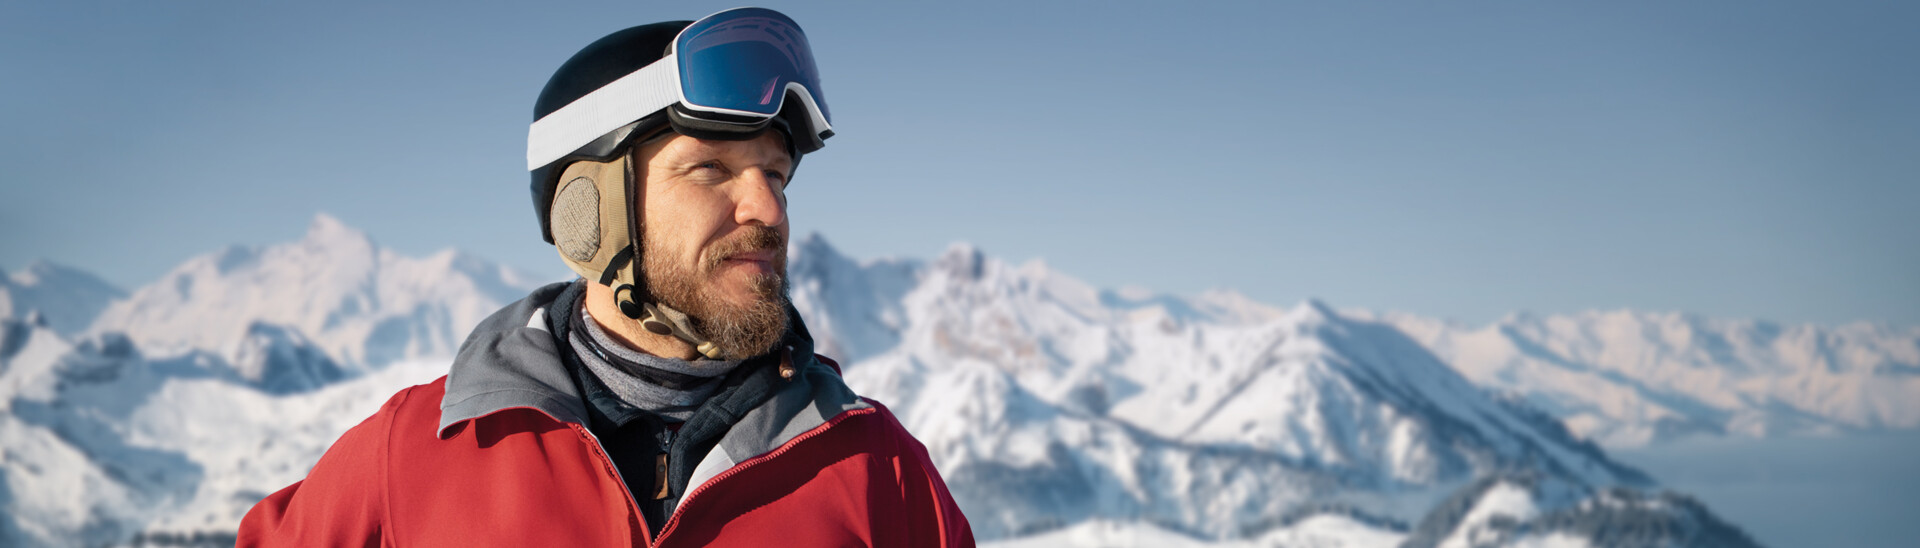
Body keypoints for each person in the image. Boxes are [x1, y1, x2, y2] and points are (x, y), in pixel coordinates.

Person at [237, 8, 974, 546]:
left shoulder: (877, 465)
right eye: (711, 169)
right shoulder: (415, 454)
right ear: (589, 212)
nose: (768, 210)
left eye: (776, 175)